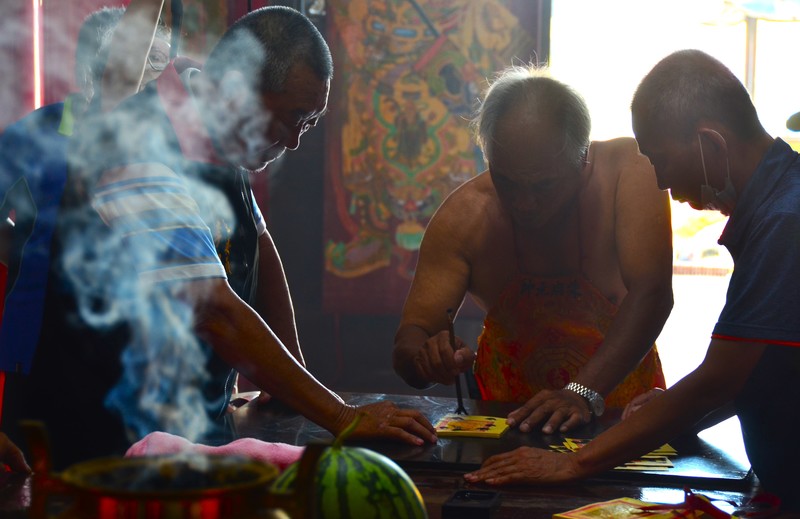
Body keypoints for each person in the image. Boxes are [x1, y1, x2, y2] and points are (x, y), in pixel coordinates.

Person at [4, 6, 436, 470]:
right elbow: (212, 308)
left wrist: (294, 374)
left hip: (192, 434)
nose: (293, 142)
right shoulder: (133, 144)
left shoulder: (218, 132)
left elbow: (258, 245)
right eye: (292, 117)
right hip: (100, 445)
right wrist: (340, 414)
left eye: (308, 123)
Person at [464, 49, 800, 512]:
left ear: (711, 145)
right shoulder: (774, 208)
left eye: (660, 160)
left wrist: (574, 464)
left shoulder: (786, 219)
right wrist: (672, 415)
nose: (660, 181)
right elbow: (757, 367)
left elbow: (720, 378)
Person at [392, 65, 673, 434]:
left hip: (621, 424)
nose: (525, 203)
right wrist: (427, 358)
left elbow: (652, 294)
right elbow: (410, 338)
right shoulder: (464, 218)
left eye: (543, 187)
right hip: (509, 424)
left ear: (582, 157)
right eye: (507, 182)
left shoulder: (629, 172)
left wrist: (581, 392)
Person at [0, 1, 170, 380]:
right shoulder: (36, 132)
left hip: (131, 347)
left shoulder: (159, 140)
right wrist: (29, 253)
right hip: (42, 336)